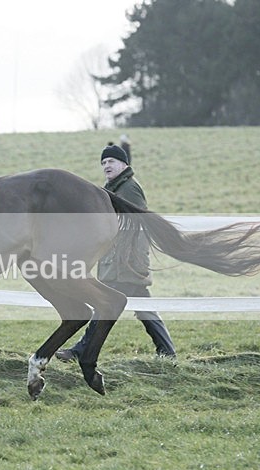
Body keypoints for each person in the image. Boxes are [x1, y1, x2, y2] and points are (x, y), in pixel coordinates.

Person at [57, 144, 176, 362]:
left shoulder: (129, 188)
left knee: (104, 304)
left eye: (111, 161)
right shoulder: (116, 188)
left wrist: (126, 259)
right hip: (122, 261)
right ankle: (167, 352)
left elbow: (136, 223)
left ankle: (80, 351)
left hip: (124, 262)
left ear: (124, 164)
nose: (106, 166)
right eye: (103, 162)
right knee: (144, 308)